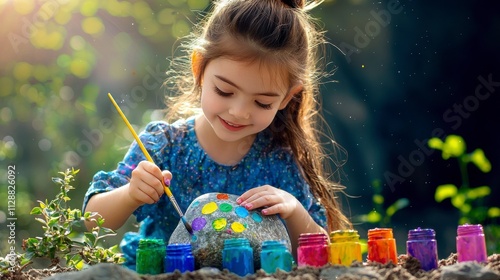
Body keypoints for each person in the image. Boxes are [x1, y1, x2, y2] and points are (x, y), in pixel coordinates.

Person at [83, 0, 351, 270]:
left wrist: (294, 210)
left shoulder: (277, 159)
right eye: (225, 91)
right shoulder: (164, 146)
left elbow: (320, 251)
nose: (239, 112)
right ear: (199, 67)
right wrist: (131, 193)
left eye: (262, 103)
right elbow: (93, 219)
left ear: (286, 98)